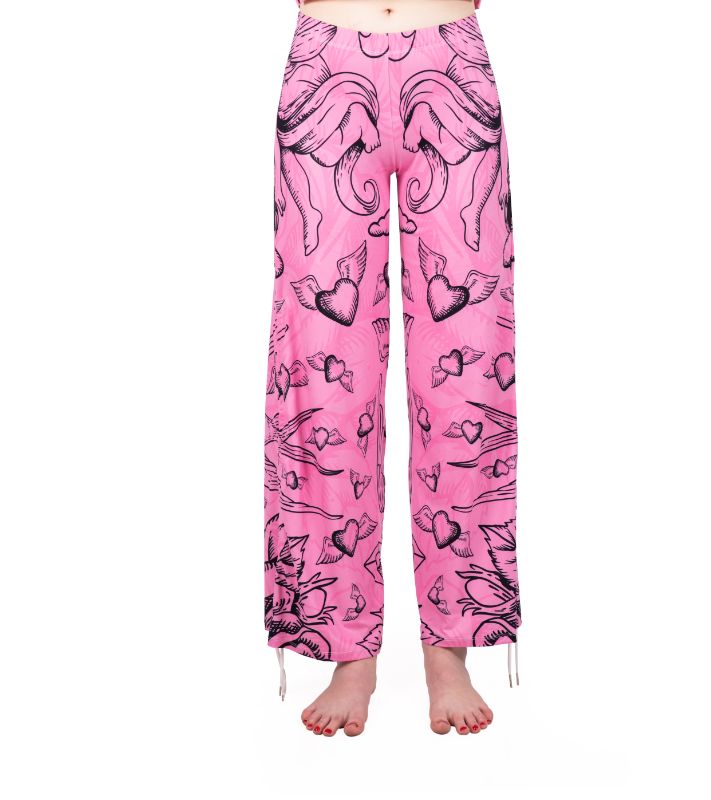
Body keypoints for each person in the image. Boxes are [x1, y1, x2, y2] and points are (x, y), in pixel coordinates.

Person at [264, 0, 520, 737]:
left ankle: (453, 642)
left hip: (453, 63)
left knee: (470, 370)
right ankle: (345, 646)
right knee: (321, 368)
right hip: (325, 65)